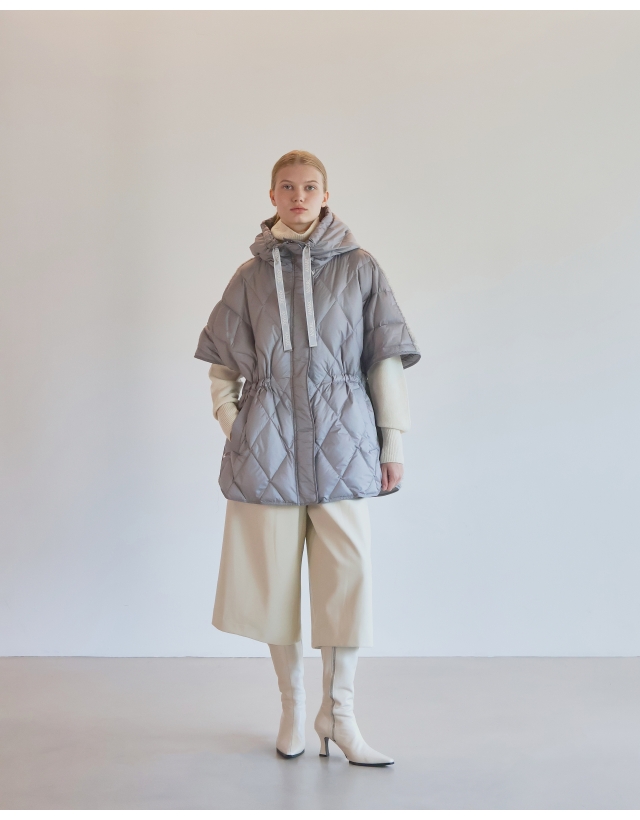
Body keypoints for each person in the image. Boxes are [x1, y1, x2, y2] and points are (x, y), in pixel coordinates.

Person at [194, 150, 420, 767]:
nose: (299, 196)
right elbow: (222, 372)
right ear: (272, 196)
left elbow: (384, 360)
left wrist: (392, 442)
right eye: (287, 187)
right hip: (267, 448)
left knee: (347, 581)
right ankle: (294, 708)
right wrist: (238, 428)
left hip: (343, 444)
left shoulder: (360, 267)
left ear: (326, 195)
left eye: (310, 186)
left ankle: (339, 715)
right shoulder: (249, 277)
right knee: (273, 584)